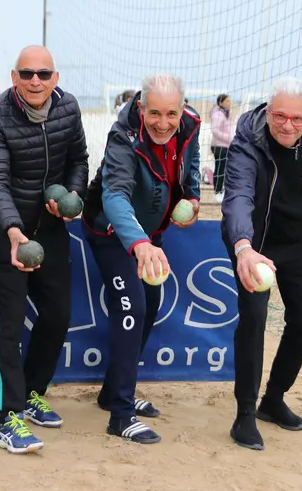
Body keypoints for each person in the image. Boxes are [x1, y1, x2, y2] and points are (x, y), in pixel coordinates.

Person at [221, 76, 302, 451]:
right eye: (280, 116)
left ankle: (273, 399)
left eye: (297, 119)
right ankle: (244, 415)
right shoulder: (248, 140)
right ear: (268, 111)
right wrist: (243, 247)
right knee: (254, 320)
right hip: (255, 243)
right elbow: (238, 196)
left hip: (300, 241)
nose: (288, 125)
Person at [0, 45, 89, 453]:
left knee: (59, 315)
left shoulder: (69, 108)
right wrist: (10, 228)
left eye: (43, 73)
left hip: (51, 230)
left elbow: (79, 158)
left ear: (55, 78)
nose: (35, 81)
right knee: (9, 323)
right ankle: (7, 419)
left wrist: (73, 193)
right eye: (27, 74)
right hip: (7, 235)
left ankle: (33, 393)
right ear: (14, 77)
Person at [82, 73, 201, 443]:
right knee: (131, 308)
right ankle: (120, 413)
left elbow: (191, 163)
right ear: (139, 108)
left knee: (150, 302)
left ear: (182, 109)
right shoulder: (122, 137)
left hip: (150, 234)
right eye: (154, 113)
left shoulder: (191, 125)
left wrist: (193, 197)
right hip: (111, 232)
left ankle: (111, 392)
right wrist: (140, 245)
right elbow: (114, 196)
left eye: (171, 113)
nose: (163, 123)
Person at [210, 93, 235, 203]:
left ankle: (222, 190)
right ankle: (217, 191)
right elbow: (215, 131)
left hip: (227, 146)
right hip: (219, 146)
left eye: (230, 101)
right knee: (219, 169)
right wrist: (228, 138)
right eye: (227, 101)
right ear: (221, 103)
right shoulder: (217, 115)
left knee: (225, 169)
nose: (230, 103)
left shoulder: (228, 113)